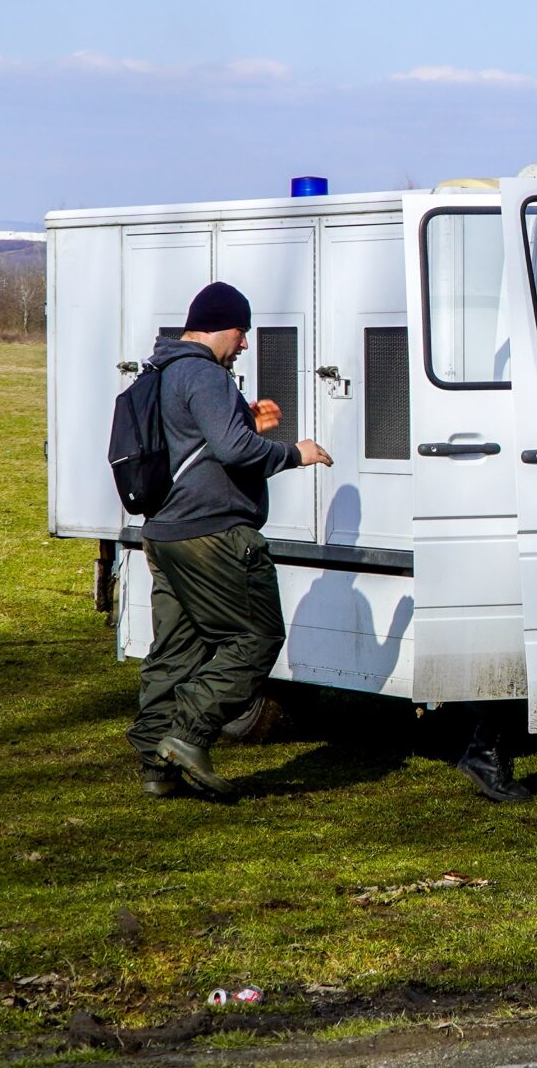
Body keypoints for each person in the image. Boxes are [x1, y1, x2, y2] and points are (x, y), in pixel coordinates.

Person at [129, 281, 331, 799]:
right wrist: (294, 452)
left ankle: (157, 767)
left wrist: (247, 422)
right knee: (255, 638)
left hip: (165, 532)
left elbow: (205, 443)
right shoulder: (205, 374)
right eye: (242, 332)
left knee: (176, 650)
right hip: (212, 533)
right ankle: (187, 735)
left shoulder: (163, 371)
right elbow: (234, 451)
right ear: (223, 325)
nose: (244, 344)